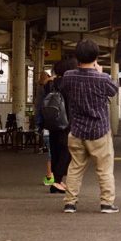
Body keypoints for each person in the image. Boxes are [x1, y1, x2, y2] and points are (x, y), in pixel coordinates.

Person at [59, 40, 120, 214]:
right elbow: (114, 90)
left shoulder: (69, 76)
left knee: (75, 168)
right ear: (96, 57)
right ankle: (107, 204)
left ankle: (70, 203)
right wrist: (98, 72)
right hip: (99, 131)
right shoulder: (103, 78)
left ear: (77, 56)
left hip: (77, 130)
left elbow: (64, 89)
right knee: (104, 169)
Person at [43, 57, 78, 195]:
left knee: (56, 151)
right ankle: (56, 182)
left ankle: (57, 181)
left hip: (52, 123)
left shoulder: (50, 84)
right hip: (66, 122)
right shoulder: (69, 84)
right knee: (66, 151)